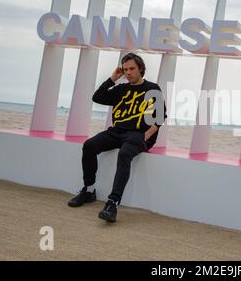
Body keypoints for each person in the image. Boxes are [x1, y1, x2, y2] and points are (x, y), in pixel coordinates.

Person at [68, 53, 167, 223]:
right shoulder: (121, 89)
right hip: (117, 131)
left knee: (124, 153)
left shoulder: (152, 89)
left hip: (139, 134)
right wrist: (113, 78)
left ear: (141, 69)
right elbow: (97, 97)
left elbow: (159, 118)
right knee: (89, 145)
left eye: (132, 69)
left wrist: (146, 136)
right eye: (125, 69)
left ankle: (112, 202)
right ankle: (89, 190)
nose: (128, 73)